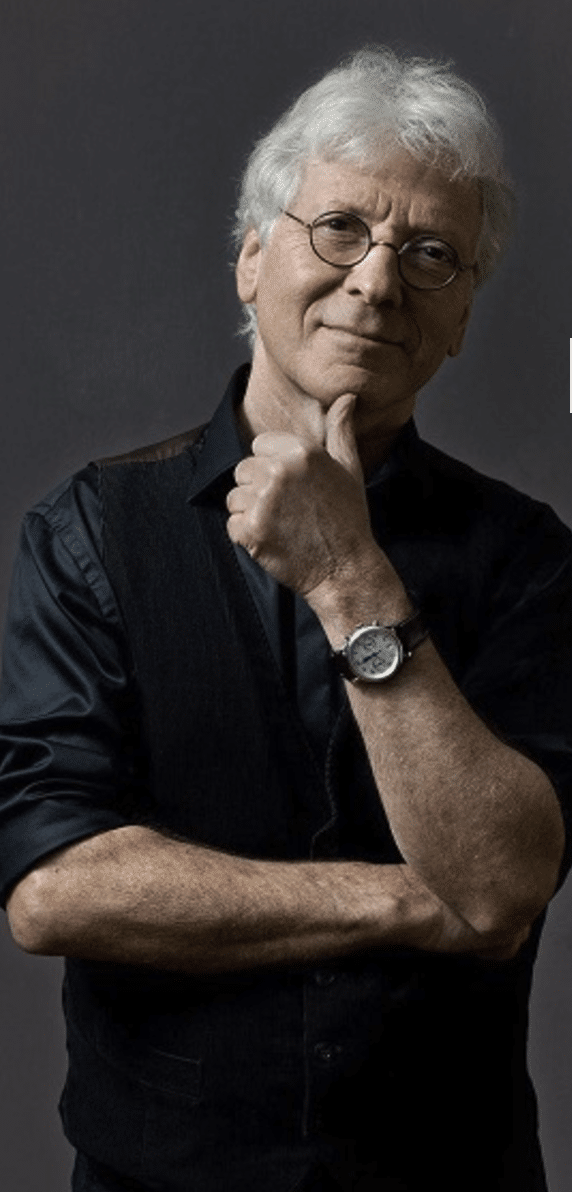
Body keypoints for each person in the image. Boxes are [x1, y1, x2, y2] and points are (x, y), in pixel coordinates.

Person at [1, 45, 572, 1192]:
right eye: (340, 229)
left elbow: (501, 878)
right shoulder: (88, 532)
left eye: (429, 254)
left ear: (461, 312)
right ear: (251, 256)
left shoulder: (528, 559)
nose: (377, 282)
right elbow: (55, 886)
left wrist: (347, 571)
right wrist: (406, 901)